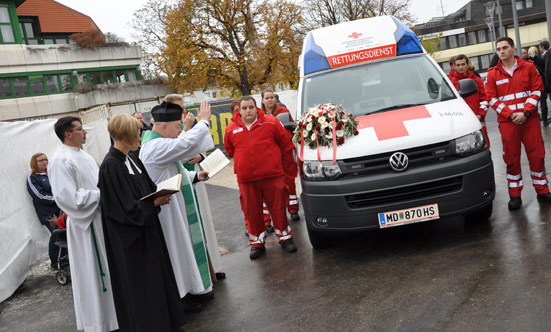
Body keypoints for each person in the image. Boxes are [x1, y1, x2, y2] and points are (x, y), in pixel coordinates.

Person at [98, 114, 186, 331]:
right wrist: (154, 202)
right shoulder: (111, 166)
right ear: (125, 134)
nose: (140, 137)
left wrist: (160, 193)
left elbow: (147, 188)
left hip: (148, 231)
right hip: (132, 240)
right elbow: (122, 210)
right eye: (136, 133)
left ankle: (167, 321)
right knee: (143, 285)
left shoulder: (132, 158)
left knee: (158, 278)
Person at [139, 101, 215, 311]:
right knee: (176, 251)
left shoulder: (159, 143)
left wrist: (195, 176)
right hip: (167, 211)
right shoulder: (154, 146)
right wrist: (204, 122)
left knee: (184, 249)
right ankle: (180, 297)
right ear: (163, 127)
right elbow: (184, 146)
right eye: (176, 127)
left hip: (175, 206)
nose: (179, 131)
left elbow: (173, 172)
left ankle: (191, 289)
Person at [48, 116, 118, 331]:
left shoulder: (83, 155)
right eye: (80, 129)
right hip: (86, 225)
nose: (85, 132)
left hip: (99, 217)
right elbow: (67, 198)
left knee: (106, 270)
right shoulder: (60, 160)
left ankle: (113, 317)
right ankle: (98, 322)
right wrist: (101, 195)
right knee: (92, 274)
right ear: (67, 134)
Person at [224, 96, 297, 259]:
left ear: (256, 108)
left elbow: (285, 144)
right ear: (239, 110)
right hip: (247, 179)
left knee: (278, 208)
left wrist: (283, 169)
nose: (247, 110)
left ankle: (285, 238)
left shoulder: (271, 122)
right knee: (252, 212)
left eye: (250, 107)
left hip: (272, 175)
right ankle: (257, 243)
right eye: (244, 108)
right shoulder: (230, 129)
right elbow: (230, 151)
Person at [164, 93, 225, 281]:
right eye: (179, 107)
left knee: (204, 221)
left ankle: (213, 264)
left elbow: (200, 147)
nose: (184, 110)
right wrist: (189, 130)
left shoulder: (184, 125)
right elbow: (176, 154)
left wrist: (201, 156)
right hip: (183, 183)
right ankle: (200, 273)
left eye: (184, 106)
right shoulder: (170, 129)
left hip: (196, 177)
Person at [486, 37, 551, 210]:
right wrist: (511, 114)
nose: (501, 51)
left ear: (513, 48)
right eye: (498, 48)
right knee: (511, 159)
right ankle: (515, 196)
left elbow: (537, 89)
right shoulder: (492, 73)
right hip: (508, 123)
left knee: (537, 155)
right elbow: (491, 99)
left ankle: (543, 190)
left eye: (505, 47)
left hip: (529, 120)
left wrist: (526, 112)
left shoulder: (528, 67)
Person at [261, 89, 300, 223]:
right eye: (267, 98)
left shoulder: (284, 112)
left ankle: (293, 209)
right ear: (262, 100)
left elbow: (292, 128)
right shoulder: (260, 116)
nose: (270, 100)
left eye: (271, 97)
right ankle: (278, 212)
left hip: (285, 152)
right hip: (270, 154)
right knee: (273, 185)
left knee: (289, 181)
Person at [26, 153, 61, 269]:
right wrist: (58, 199)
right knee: (56, 234)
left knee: (65, 234)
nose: (44, 162)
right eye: (40, 160)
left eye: (45, 159)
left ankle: (65, 258)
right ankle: (55, 262)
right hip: (48, 213)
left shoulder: (51, 173)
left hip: (61, 209)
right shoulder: (33, 178)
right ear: (34, 163)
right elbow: (39, 196)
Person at [448, 54, 489, 146]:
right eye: (458, 65)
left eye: (463, 64)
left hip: (479, 120)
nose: (461, 67)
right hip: (461, 123)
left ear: (467, 65)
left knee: (484, 146)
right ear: (453, 67)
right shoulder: (451, 84)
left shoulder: (477, 81)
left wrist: (480, 115)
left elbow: (484, 100)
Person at [540, 40, 551, 126]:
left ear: (542, 47)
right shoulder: (545, 55)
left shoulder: (547, 55)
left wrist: (548, 82)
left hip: (548, 82)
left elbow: (547, 69)